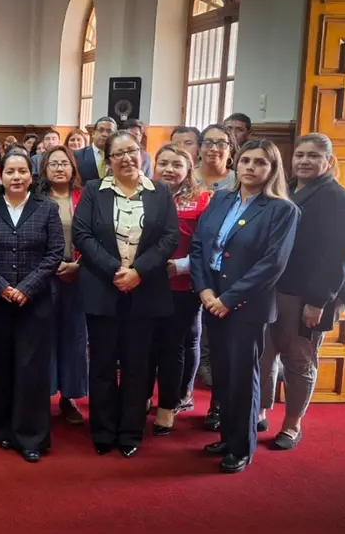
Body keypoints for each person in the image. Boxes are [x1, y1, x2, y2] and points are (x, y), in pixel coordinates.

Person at [190, 139, 299, 474]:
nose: (251, 167)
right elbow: (199, 246)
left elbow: (272, 264)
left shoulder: (282, 210)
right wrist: (205, 290)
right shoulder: (221, 198)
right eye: (247, 161)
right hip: (213, 299)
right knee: (221, 376)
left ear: (273, 170)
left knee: (243, 378)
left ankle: (241, 446)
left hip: (245, 306)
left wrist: (229, 299)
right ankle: (227, 435)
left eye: (261, 163)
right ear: (236, 164)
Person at [72, 130, 179, 458]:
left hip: (145, 291)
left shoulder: (160, 191)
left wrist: (138, 272)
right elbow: (82, 234)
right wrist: (115, 271)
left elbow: (170, 238)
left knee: (138, 365)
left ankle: (131, 432)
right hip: (103, 289)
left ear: (142, 154)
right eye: (117, 154)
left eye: (131, 151)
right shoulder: (94, 190)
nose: (126, 158)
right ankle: (103, 431)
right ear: (108, 160)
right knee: (102, 363)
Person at [260, 133, 345, 450]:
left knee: (299, 360)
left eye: (313, 156)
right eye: (300, 154)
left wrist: (318, 302)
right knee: (263, 356)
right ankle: (259, 411)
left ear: (329, 161)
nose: (304, 161)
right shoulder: (284, 188)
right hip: (273, 289)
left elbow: (337, 257)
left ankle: (292, 425)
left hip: (308, 296)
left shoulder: (336, 198)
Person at [0, 150, 64, 463]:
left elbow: (55, 253)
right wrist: (1, 287)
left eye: (22, 171)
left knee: (32, 369)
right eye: (10, 172)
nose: (16, 177)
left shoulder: (47, 208)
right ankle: (0, 429)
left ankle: (31, 437)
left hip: (35, 301)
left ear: (31, 175)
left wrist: (26, 288)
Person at [149, 144, 212, 434]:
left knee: (172, 348)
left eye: (176, 164)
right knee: (145, 347)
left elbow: (208, 247)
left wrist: (181, 266)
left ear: (188, 169)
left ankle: (167, 407)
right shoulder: (144, 194)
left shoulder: (203, 200)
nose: (169, 169)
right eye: (163, 163)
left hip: (182, 286)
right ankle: (141, 399)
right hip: (145, 283)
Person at [38, 146, 88, 424]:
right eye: (53, 163)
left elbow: (96, 236)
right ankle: (42, 393)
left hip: (78, 275)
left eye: (64, 163)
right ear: (44, 169)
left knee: (75, 338)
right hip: (44, 278)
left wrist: (78, 266)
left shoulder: (85, 197)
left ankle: (69, 397)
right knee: (45, 338)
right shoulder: (37, 199)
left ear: (72, 168)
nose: (59, 168)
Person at [193, 124, 239, 429]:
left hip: (228, 277)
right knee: (189, 338)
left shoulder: (239, 182)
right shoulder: (187, 177)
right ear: (198, 147)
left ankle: (219, 405)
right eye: (208, 142)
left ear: (231, 149)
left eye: (221, 143)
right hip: (191, 269)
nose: (213, 148)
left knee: (224, 346)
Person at [194, 124, 238, 193]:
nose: (214, 149)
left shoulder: (238, 181)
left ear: (230, 151)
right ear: (199, 149)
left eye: (221, 144)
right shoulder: (185, 177)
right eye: (208, 143)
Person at [74, 116, 118, 183]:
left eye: (109, 131)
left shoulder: (119, 156)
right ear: (93, 133)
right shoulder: (77, 155)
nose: (104, 134)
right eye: (101, 130)